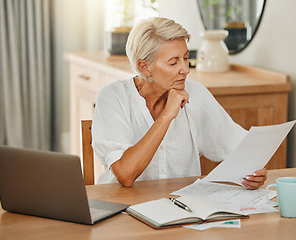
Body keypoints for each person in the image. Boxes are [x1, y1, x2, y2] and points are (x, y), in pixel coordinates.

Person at [92, 17, 267, 189]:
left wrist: (253, 173)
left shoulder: (196, 94)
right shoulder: (113, 97)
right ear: (145, 67)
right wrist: (167, 116)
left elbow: (241, 148)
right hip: (122, 209)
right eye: (173, 62)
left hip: (182, 207)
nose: (185, 69)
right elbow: (125, 174)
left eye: (186, 58)